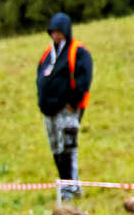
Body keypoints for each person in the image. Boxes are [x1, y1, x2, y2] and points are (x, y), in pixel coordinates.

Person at [35, 13, 93, 202]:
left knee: (68, 148)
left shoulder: (78, 51)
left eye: (59, 32)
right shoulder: (48, 53)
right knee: (56, 150)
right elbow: (40, 76)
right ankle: (64, 185)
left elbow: (84, 79)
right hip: (48, 111)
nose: (56, 35)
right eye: (53, 32)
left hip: (67, 110)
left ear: (66, 31)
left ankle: (72, 187)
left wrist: (73, 103)